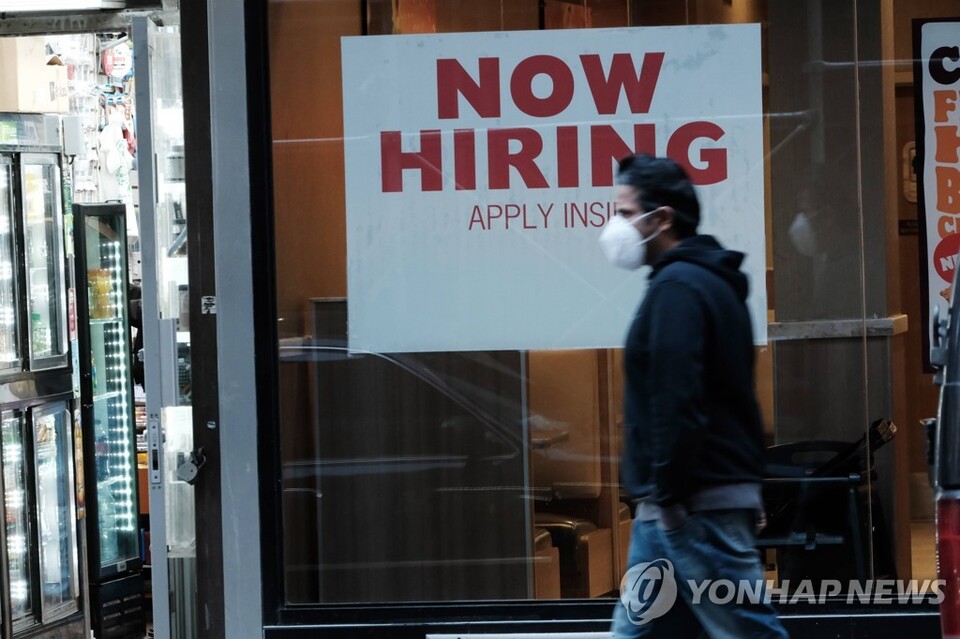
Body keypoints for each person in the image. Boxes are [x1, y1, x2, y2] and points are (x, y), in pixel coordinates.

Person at [601, 154, 788, 639]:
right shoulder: (709, 285)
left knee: (747, 632)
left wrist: (670, 494)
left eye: (624, 213)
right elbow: (733, 397)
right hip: (677, 506)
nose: (614, 225)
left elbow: (677, 401)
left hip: (689, 507)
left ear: (661, 218)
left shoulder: (679, 289)